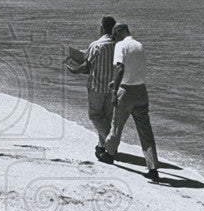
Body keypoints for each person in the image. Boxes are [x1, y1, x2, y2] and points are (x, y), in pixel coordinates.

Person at [98, 23, 160, 182]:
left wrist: (114, 90)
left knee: (116, 125)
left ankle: (109, 155)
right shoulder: (139, 45)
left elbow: (120, 68)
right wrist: (116, 82)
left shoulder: (121, 45)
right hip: (141, 90)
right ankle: (152, 168)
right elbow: (135, 69)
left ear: (120, 32)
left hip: (126, 92)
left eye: (114, 35)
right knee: (145, 131)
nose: (114, 38)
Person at [68, 15, 117, 156]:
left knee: (95, 116)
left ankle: (110, 142)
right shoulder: (118, 45)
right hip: (113, 87)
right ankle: (102, 146)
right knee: (106, 118)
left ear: (102, 28)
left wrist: (73, 69)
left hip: (97, 86)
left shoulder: (96, 45)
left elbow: (86, 66)